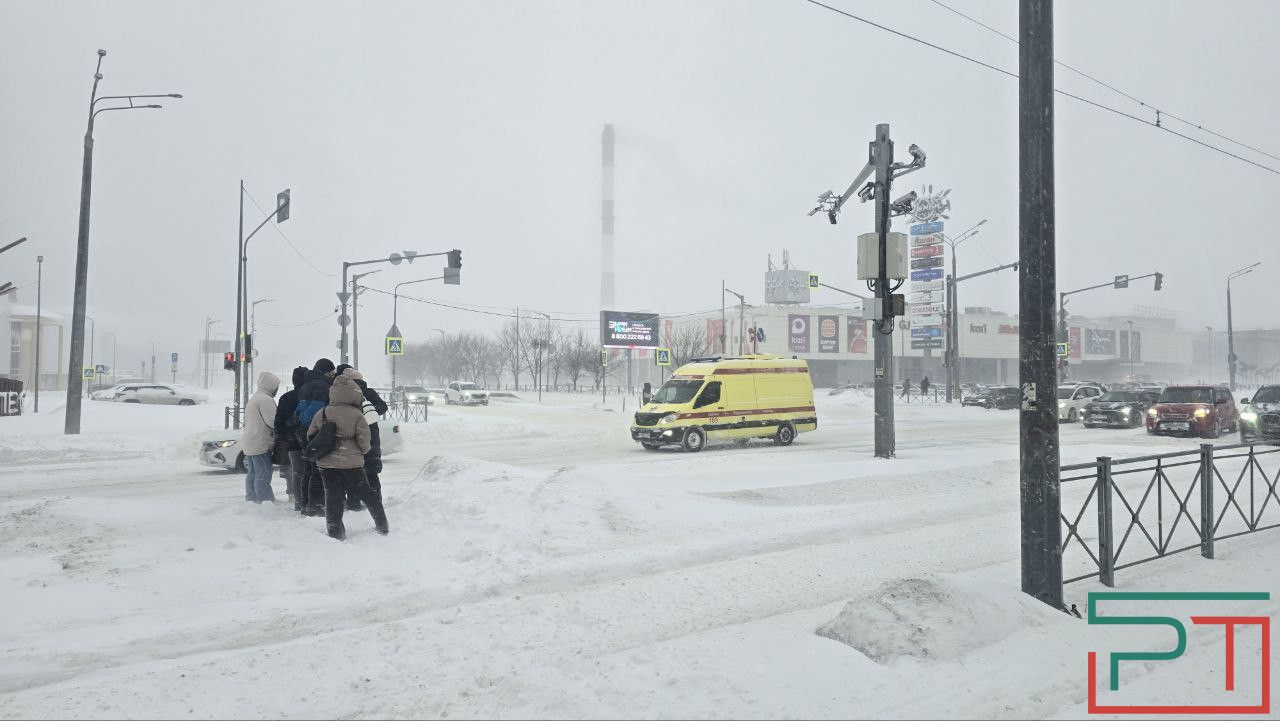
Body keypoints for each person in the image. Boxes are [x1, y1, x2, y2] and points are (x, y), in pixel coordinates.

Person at [306, 374, 388, 540]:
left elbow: (311, 435)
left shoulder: (322, 412)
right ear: (353, 394)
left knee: (333, 497)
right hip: (351, 464)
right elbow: (365, 441)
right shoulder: (357, 415)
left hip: (327, 464)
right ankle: (382, 524)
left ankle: (335, 530)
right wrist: (360, 452)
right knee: (367, 494)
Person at [335, 365, 388, 509]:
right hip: (371, 438)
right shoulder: (369, 392)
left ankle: (354, 504)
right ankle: (376, 503)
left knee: (354, 474)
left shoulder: (345, 395)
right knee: (371, 473)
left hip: (353, 439)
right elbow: (383, 407)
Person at [294, 358, 337, 517]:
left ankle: (305, 503)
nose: (333, 375)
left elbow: (300, 409)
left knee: (308, 470)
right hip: (315, 432)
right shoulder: (322, 386)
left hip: (303, 431)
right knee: (318, 470)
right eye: (331, 372)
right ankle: (316, 506)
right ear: (326, 372)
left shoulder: (306, 384)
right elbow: (317, 412)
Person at [241, 370, 281, 503]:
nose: (276, 390)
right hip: (260, 442)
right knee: (263, 474)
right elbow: (273, 421)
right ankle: (265, 501)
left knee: (253, 473)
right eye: (276, 387)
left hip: (250, 441)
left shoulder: (255, 398)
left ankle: (252, 497)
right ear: (270, 386)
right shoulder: (266, 400)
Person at [274, 366, 309, 510]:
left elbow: (279, 422)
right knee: (311, 472)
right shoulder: (310, 396)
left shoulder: (286, 398)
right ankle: (310, 501)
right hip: (310, 440)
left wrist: (285, 438)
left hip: (293, 443)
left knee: (297, 473)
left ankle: (299, 503)